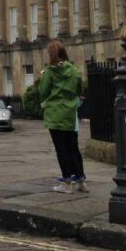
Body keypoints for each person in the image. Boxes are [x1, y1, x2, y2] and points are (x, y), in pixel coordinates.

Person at [38, 39, 87, 193]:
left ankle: (67, 183)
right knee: (73, 148)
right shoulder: (73, 70)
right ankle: (81, 181)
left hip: (55, 114)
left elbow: (43, 92)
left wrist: (43, 77)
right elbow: (80, 88)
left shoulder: (50, 71)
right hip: (70, 113)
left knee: (62, 150)